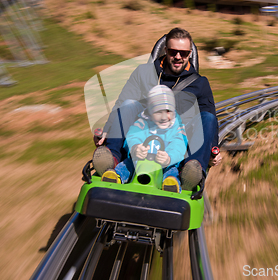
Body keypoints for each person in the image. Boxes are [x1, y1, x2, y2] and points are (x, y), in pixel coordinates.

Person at [93, 28, 222, 199]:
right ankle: (112, 159)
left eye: (183, 53)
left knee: (208, 117)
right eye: (173, 51)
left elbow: (209, 119)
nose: (178, 57)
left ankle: (190, 171)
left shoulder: (200, 83)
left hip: (179, 139)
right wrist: (108, 129)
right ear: (165, 51)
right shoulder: (143, 73)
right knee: (129, 104)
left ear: (190, 54)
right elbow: (122, 102)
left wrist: (213, 151)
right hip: (144, 132)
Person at [94, 85, 187, 193]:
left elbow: (179, 144)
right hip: (140, 160)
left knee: (172, 170)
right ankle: (116, 177)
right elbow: (132, 136)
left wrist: (170, 157)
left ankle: (170, 183)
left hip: (165, 162)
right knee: (127, 164)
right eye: (158, 112)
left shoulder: (176, 127)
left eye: (168, 111)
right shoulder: (143, 122)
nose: (164, 117)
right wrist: (135, 148)